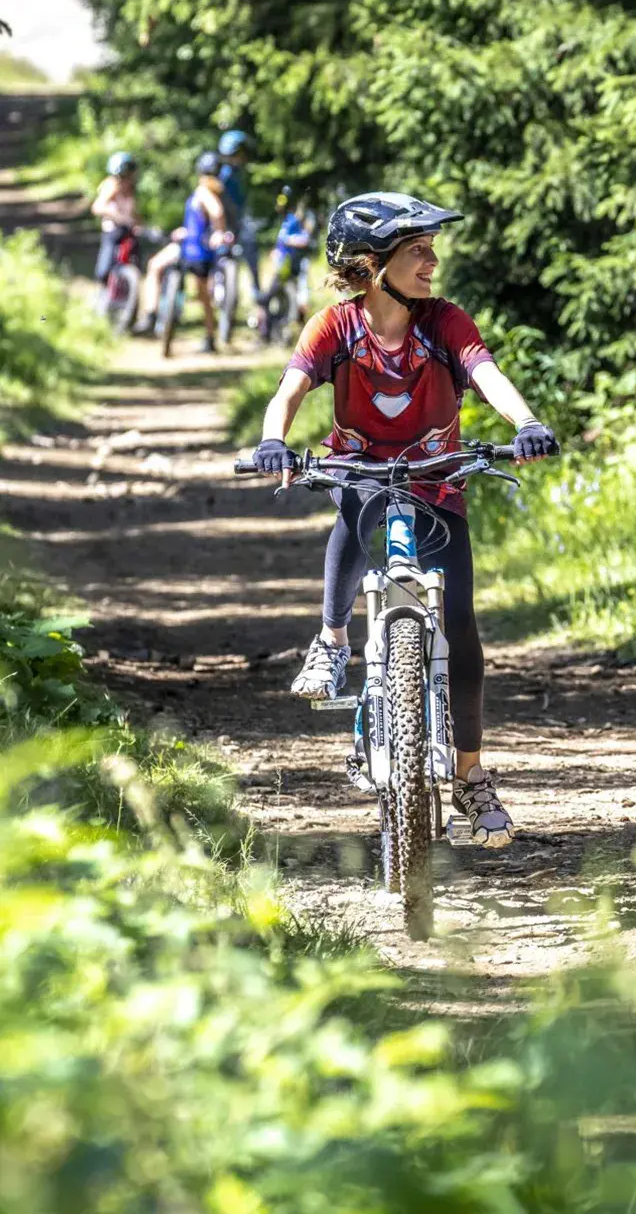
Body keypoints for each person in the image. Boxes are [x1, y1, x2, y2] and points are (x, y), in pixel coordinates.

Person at [247, 192, 560, 846]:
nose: (432, 260)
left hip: (437, 485)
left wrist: (525, 422)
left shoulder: (445, 322)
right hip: (361, 472)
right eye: (417, 250)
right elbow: (289, 390)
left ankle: (471, 778)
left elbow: (487, 374)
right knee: (355, 508)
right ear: (371, 262)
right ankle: (333, 641)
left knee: (462, 628)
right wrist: (275, 439)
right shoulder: (334, 326)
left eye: (430, 247)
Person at [134, 152, 231, 353]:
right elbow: (201, 220)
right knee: (202, 296)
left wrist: (219, 231)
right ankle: (209, 336)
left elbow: (217, 213)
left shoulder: (205, 192)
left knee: (157, 267)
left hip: (194, 250)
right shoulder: (210, 192)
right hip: (192, 247)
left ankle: (151, 315)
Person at [255, 185, 316, 327]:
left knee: (301, 295)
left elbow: (305, 239)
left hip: (297, 262)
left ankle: (297, 324)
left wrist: (289, 241)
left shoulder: (303, 218)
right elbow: (279, 240)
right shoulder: (284, 219)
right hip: (282, 263)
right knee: (272, 295)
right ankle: (267, 324)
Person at [218, 129, 261, 295]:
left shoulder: (236, 174)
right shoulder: (225, 175)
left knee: (250, 249)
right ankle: (255, 290)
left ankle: (256, 291)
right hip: (228, 222)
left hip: (237, 221)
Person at [92, 152, 140, 282]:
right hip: (113, 231)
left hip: (128, 232)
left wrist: (138, 224)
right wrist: (118, 216)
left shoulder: (131, 190)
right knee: (104, 269)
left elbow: (133, 213)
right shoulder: (111, 186)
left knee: (136, 260)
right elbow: (97, 207)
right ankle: (103, 290)